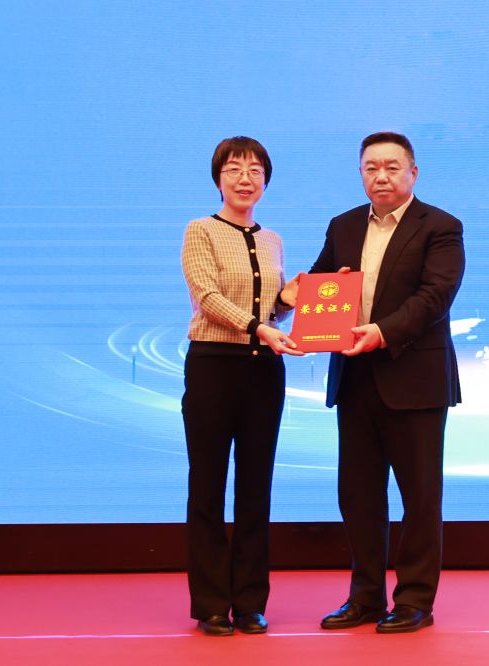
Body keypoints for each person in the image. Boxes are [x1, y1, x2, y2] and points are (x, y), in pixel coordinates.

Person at [306, 131, 465, 633]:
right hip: (355, 379)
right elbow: (319, 283)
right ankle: (366, 597)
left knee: (420, 498)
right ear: (361, 174)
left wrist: (381, 332)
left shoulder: (440, 226)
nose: (381, 176)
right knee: (358, 497)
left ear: (413, 173)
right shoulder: (343, 225)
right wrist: (291, 302)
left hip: (414, 380)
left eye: (392, 167)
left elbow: (435, 297)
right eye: (371, 167)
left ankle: (415, 600)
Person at [180, 136, 303, 637]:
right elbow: (207, 297)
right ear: (218, 179)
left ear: (266, 181)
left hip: (263, 372)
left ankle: (250, 602)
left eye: (255, 170)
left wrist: (290, 300)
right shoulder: (200, 230)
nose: (245, 178)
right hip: (213, 366)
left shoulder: (272, 239)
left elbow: (270, 313)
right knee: (207, 486)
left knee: (256, 487)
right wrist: (259, 327)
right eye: (233, 168)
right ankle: (211, 603)